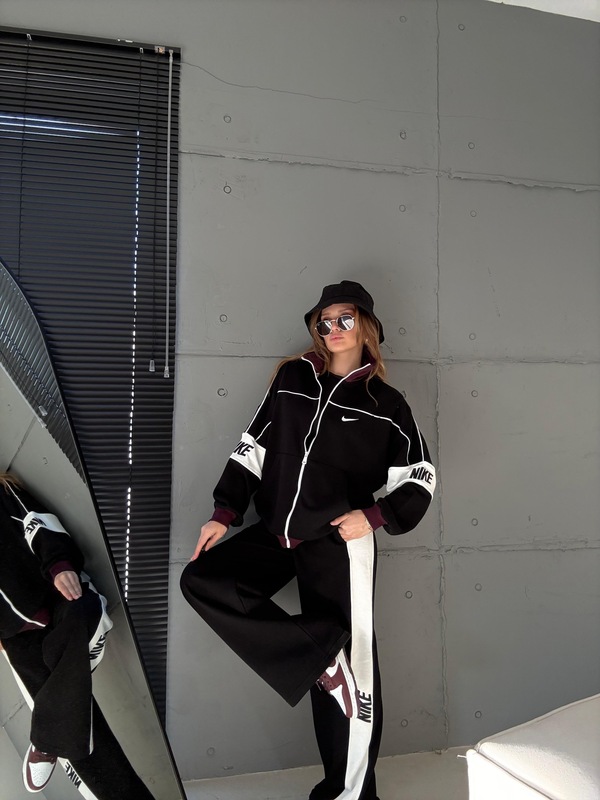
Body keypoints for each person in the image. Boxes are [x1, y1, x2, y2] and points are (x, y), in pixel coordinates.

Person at [180, 280, 436, 800]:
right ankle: (319, 655)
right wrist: (225, 512)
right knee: (203, 581)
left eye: (345, 318)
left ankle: (350, 793)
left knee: (355, 674)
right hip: (276, 531)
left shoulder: (386, 404)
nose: (334, 328)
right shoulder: (293, 377)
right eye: (325, 321)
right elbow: (254, 445)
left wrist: (374, 516)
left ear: (366, 326)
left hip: (339, 542)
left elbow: (421, 475)